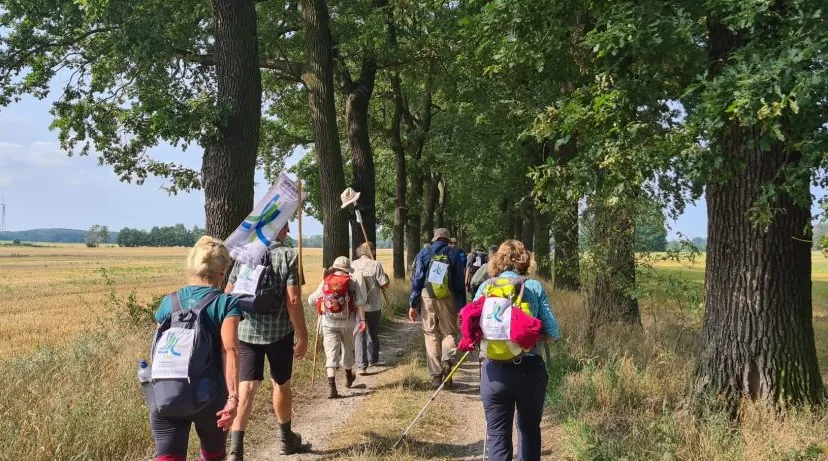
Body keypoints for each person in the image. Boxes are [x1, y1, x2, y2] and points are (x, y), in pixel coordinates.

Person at [149, 236, 241, 461]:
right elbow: (230, 350)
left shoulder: (168, 302)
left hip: (166, 393)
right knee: (212, 455)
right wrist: (233, 398)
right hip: (208, 395)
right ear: (221, 273)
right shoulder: (225, 303)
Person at [225, 224, 310, 460]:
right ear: (281, 230)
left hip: (246, 333)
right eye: (286, 229)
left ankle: (236, 449)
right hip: (279, 333)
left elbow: (229, 292)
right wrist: (303, 336)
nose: (287, 234)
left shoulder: (245, 253)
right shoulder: (288, 255)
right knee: (281, 384)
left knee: (247, 387)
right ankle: (286, 440)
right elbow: (293, 300)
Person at [471, 240, 560, 461]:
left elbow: (472, 328)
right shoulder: (534, 287)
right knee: (529, 431)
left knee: (497, 435)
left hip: (494, 372)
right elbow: (553, 333)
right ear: (525, 261)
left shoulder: (486, 287)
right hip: (529, 369)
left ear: (496, 261)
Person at [409, 228, 466, 389]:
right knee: (448, 332)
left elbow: (418, 278)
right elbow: (459, 282)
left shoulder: (424, 252)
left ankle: (435, 376)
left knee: (431, 333)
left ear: (435, 239)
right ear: (448, 239)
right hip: (448, 296)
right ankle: (447, 361)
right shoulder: (454, 253)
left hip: (428, 295)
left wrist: (413, 304)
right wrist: (461, 306)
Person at [307, 256, 369, 398]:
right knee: (348, 350)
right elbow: (360, 302)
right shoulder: (352, 281)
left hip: (328, 322)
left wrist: (321, 300)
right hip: (348, 322)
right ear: (347, 268)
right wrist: (363, 320)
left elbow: (311, 300)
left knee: (331, 353)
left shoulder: (326, 280)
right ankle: (348, 376)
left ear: (334, 267)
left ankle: (332, 388)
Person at [350, 242, 390, 374]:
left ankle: (361, 364)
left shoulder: (353, 264)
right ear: (371, 251)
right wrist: (386, 278)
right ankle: (373, 358)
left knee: (359, 334)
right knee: (373, 332)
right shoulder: (376, 264)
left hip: (358, 305)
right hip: (373, 306)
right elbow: (384, 285)